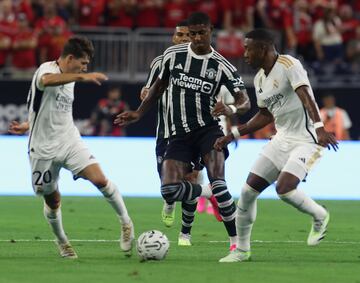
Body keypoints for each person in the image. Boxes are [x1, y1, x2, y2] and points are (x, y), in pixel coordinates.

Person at [115, 12, 251, 262]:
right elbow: (158, 86)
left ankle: (237, 245)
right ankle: (206, 192)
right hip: (178, 135)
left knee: (220, 182)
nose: (198, 37)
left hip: (208, 131)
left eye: (202, 32)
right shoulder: (172, 56)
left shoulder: (222, 66)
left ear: (211, 30)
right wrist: (138, 112)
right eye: (193, 33)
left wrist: (230, 109)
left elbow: (245, 101)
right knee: (168, 190)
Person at [214, 28, 338, 262]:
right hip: (281, 139)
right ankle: (242, 251)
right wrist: (234, 133)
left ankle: (320, 215)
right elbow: (264, 115)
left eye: (248, 48)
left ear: (263, 48)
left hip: (307, 140)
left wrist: (320, 127)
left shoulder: (289, 64)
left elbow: (305, 95)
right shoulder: (260, 79)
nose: (245, 54)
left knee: (284, 189)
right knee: (247, 192)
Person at [9, 36, 134, 259]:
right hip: (42, 148)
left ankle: (126, 223)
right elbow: (46, 82)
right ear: (70, 58)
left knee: (100, 180)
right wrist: (82, 76)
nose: (86, 67)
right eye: (83, 63)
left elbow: (45, 106)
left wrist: (28, 122)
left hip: (69, 140)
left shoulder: (71, 78)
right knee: (52, 199)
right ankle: (62, 241)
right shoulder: (45, 70)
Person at [140, 20, 221, 247]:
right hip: (166, 133)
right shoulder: (163, 61)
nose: (184, 39)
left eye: (188, 35)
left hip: (192, 133)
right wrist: (146, 92)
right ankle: (200, 194)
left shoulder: (208, 63)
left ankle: (186, 233)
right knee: (169, 189)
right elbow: (148, 90)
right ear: (173, 38)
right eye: (180, 35)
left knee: (190, 178)